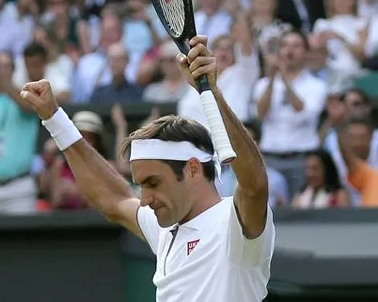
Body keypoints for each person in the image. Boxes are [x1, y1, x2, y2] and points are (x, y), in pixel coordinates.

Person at [20, 36, 275, 301]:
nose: (144, 199)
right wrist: (54, 118)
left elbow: (255, 186)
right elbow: (114, 200)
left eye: (153, 183)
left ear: (193, 170)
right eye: (141, 185)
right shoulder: (166, 227)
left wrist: (211, 93)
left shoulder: (234, 225)